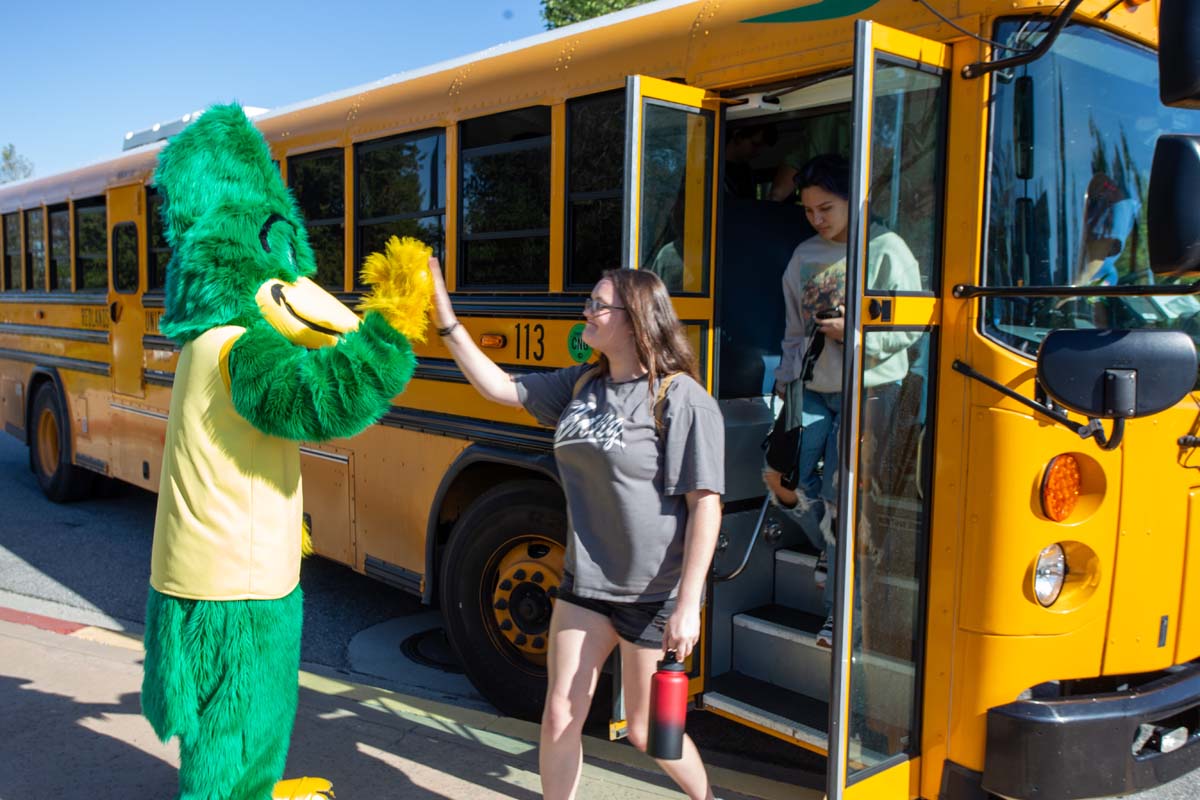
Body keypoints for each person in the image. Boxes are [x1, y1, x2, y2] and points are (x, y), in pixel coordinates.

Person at [428, 263, 725, 800]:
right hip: (583, 584)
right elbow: (498, 387)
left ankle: (706, 797)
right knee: (560, 714)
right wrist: (448, 322)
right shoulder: (582, 383)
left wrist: (688, 603)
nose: (585, 312)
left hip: (650, 593)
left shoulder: (680, 399)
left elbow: (705, 505)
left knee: (647, 733)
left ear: (635, 320)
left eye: (597, 305)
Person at [761, 154, 920, 648]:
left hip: (870, 387)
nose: (817, 219)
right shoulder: (804, 254)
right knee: (781, 478)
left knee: (841, 497)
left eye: (826, 207)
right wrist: (787, 387)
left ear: (857, 201)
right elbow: (792, 329)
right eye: (809, 210)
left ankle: (838, 616)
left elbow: (910, 328)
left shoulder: (887, 249)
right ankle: (831, 550)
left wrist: (852, 335)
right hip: (808, 386)